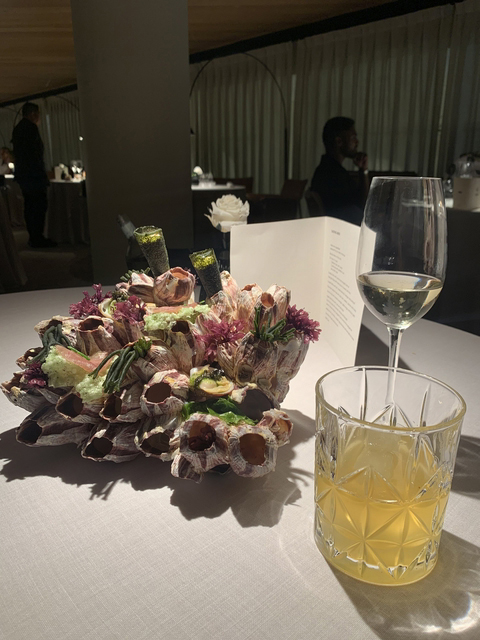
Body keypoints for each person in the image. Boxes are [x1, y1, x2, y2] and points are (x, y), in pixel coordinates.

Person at [12, 102, 56, 248]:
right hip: (33, 175)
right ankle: (37, 237)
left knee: (30, 206)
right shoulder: (30, 128)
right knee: (38, 206)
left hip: (25, 175)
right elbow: (35, 154)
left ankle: (33, 236)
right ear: (33, 114)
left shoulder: (18, 129)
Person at [310, 117, 369, 225]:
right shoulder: (334, 175)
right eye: (353, 137)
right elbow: (363, 206)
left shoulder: (325, 169)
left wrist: (362, 170)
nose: (357, 142)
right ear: (339, 141)